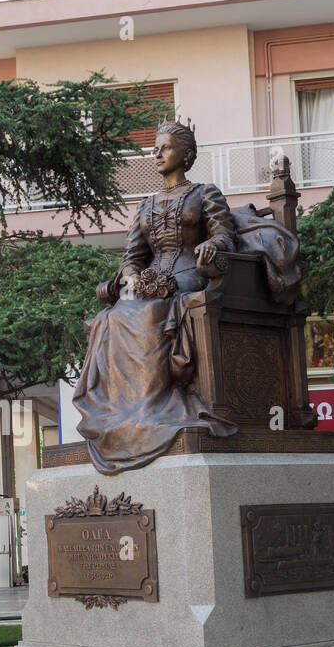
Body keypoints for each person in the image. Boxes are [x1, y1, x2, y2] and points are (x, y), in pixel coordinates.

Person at [74, 119, 238, 475]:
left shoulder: (204, 193)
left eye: (165, 147)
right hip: (150, 281)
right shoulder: (145, 204)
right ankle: (122, 414)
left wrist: (212, 243)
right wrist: (133, 278)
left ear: (187, 153)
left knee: (148, 315)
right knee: (111, 318)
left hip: (191, 275)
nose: (157, 153)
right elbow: (132, 257)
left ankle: (151, 409)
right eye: (155, 148)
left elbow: (226, 236)